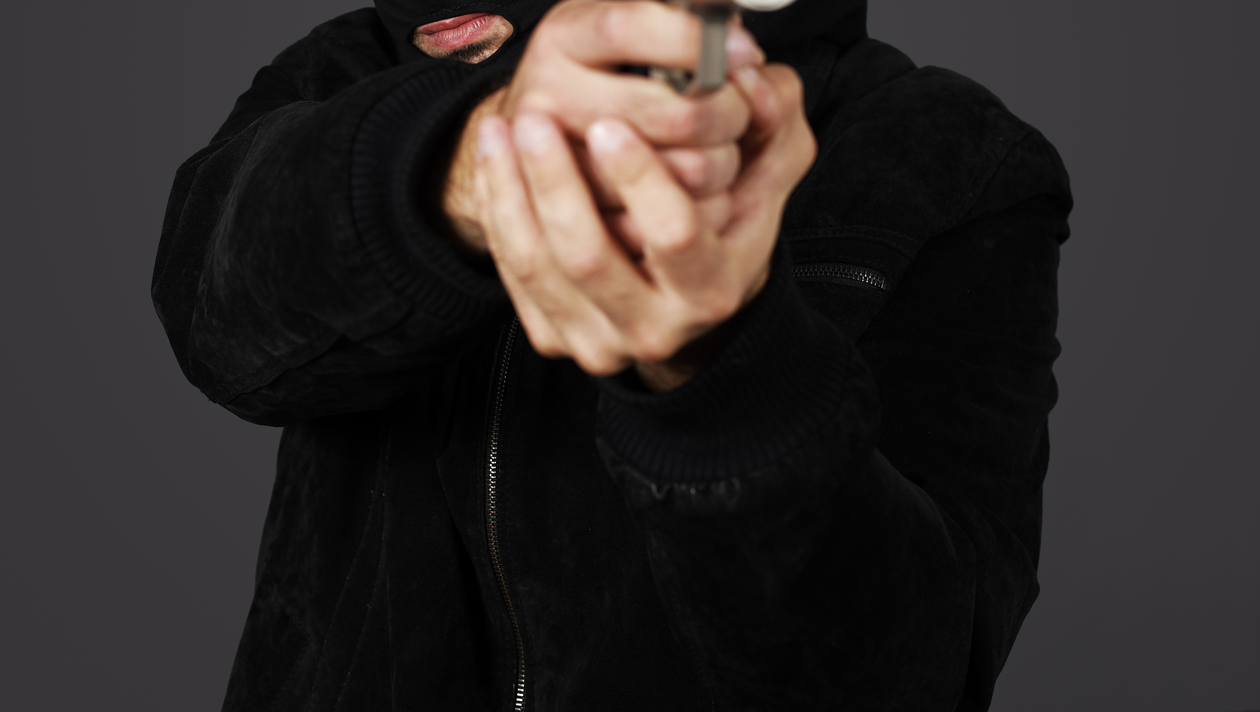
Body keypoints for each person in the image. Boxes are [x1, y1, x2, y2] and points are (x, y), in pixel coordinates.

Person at [152, 0, 1072, 709]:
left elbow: (917, 669)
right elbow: (211, 308)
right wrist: (467, 163)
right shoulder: (378, 54)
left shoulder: (955, 153)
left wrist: (726, 377)